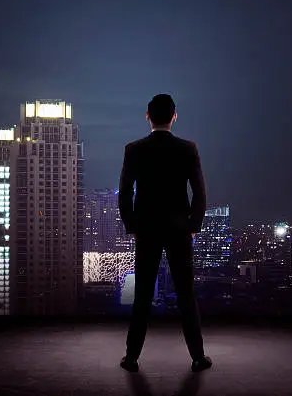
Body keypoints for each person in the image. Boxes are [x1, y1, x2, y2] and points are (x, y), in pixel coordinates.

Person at [118, 94, 213, 373]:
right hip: (178, 230)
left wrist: (132, 226)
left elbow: (125, 193)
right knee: (186, 294)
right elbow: (200, 193)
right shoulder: (188, 149)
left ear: (147, 116)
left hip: (147, 229)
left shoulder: (134, 150)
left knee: (143, 295)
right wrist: (192, 226)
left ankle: (131, 358)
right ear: (174, 116)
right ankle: (198, 357)